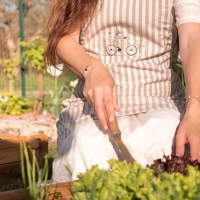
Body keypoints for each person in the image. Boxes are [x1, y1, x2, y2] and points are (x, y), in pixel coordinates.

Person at [44, 0, 200, 182]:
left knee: (170, 140)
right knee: (90, 149)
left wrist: (194, 111)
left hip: (161, 100)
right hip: (92, 110)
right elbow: (63, 39)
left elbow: (192, 37)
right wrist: (91, 68)